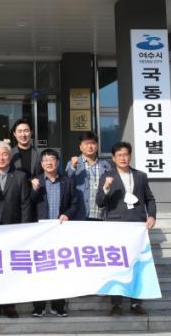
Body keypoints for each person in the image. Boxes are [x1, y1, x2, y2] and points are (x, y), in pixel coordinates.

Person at [96, 141, 157, 317]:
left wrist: (152, 215)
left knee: (137, 264)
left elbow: (150, 199)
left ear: (130, 156)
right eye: (119, 155)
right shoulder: (107, 176)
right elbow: (99, 202)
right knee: (117, 266)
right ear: (114, 158)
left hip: (137, 225)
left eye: (126, 154)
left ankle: (136, 303)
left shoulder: (140, 176)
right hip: (116, 226)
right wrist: (106, 187)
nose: (123, 158)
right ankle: (116, 304)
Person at [0, 140, 31, 318]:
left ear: (9, 156)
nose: (1, 158)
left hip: (13, 228)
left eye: (4, 154)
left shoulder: (20, 176)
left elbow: (25, 204)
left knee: (11, 267)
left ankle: (10, 304)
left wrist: (24, 228)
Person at [29, 149, 78, 318]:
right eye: (46, 160)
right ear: (41, 164)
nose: (49, 163)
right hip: (39, 233)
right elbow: (28, 204)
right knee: (39, 270)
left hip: (60, 232)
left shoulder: (67, 182)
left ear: (58, 162)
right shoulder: (35, 181)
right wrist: (34, 190)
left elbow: (74, 204)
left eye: (52, 159)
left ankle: (59, 306)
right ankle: (38, 306)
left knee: (59, 270)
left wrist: (67, 214)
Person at [65, 131, 112, 221]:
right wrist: (73, 167)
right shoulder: (73, 163)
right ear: (80, 147)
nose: (90, 146)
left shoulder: (105, 165)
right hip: (79, 214)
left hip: (100, 214)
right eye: (86, 143)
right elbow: (67, 183)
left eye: (93, 143)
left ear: (97, 146)